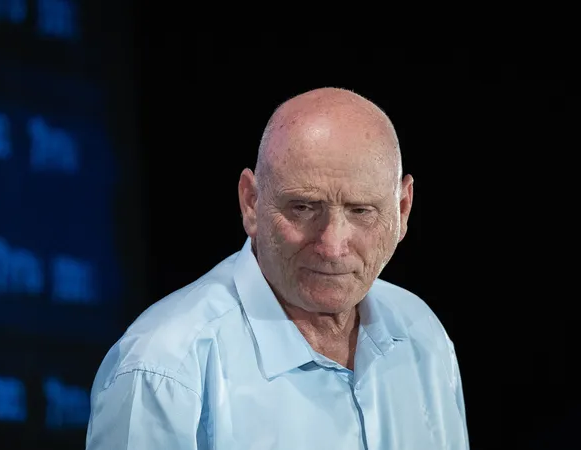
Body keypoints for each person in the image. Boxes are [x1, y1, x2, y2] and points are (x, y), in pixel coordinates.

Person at [86, 87, 469, 449]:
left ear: (402, 210)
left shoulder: (423, 335)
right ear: (251, 202)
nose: (333, 247)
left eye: (361, 211)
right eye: (303, 208)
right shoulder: (163, 369)